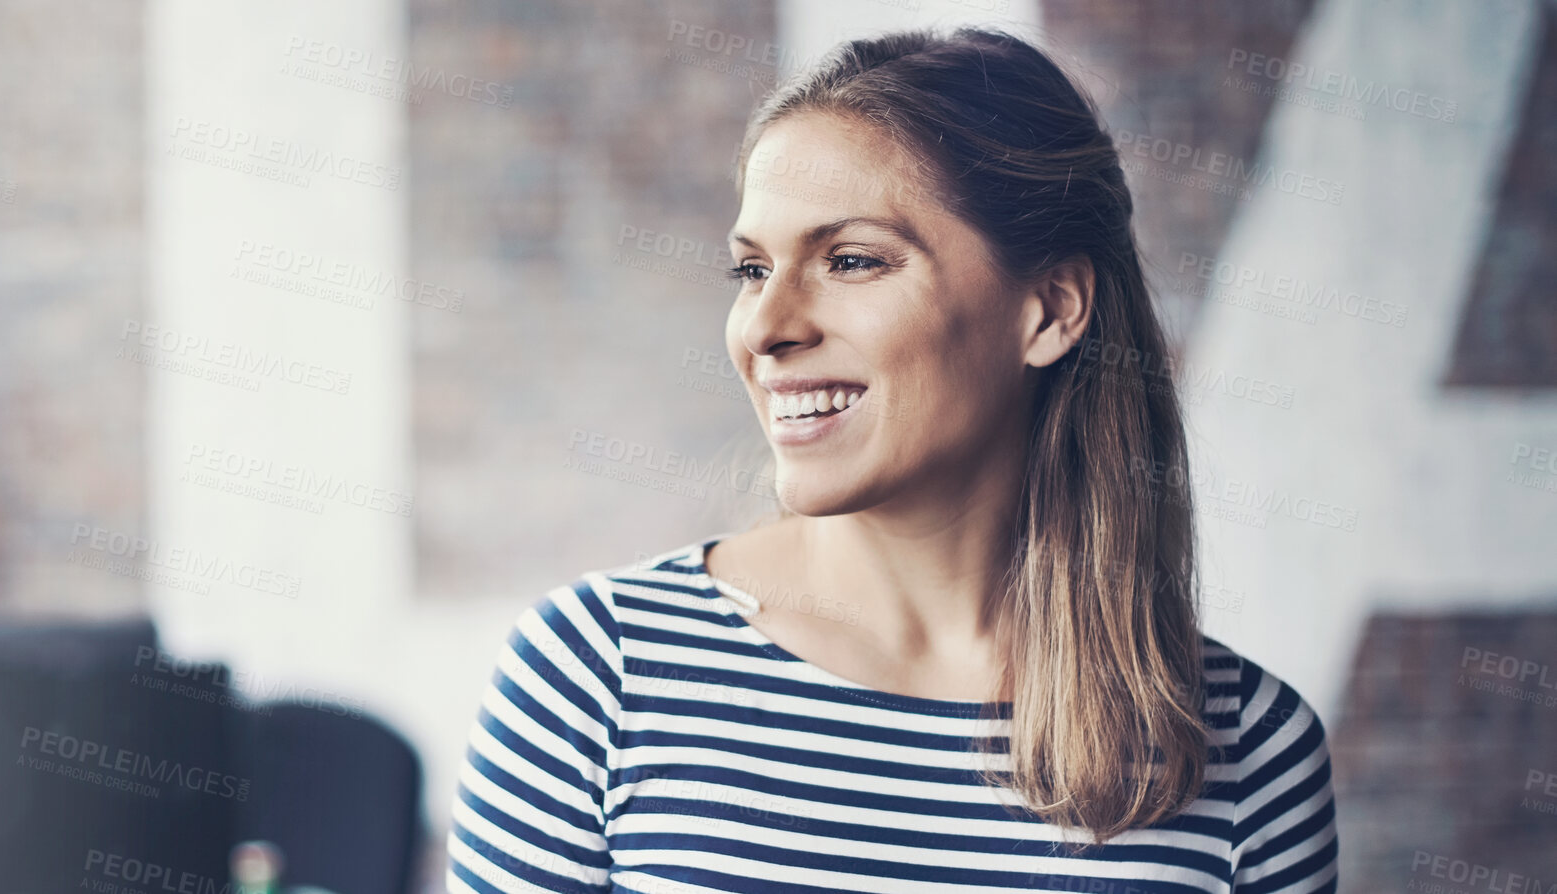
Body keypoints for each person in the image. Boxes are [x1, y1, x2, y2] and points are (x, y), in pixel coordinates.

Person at [446, 27, 1337, 893]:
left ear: (1050, 310)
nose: (765, 327)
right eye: (751, 270)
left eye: (851, 260)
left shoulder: (1250, 753)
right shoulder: (598, 674)